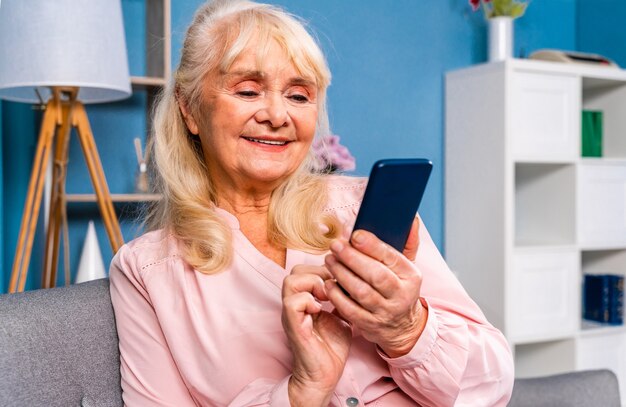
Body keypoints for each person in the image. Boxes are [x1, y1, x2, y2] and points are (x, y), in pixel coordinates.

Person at [109, 0, 514, 405]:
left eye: (299, 96)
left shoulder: (357, 207)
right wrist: (301, 390)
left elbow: (493, 385)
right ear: (189, 107)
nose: (277, 114)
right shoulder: (146, 272)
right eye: (248, 90)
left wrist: (406, 330)